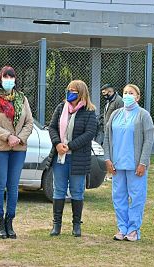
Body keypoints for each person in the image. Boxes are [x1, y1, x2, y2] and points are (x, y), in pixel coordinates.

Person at [0, 66, 33, 239]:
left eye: (11, 77)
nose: (8, 80)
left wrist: (19, 138)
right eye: (5, 76)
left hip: (18, 148)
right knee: (0, 186)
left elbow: (29, 123)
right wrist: (8, 137)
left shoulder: (22, 99)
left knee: (13, 186)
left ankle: (9, 220)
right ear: (0, 78)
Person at [103, 84, 154, 242]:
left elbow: (148, 140)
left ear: (138, 97)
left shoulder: (143, 115)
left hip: (135, 165)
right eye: (125, 92)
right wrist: (107, 159)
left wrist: (143, 162)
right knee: (118, 196)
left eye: (131, 93)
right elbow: (107, 137)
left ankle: (133, 229)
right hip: (117, 164)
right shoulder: (116, 114)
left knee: (137, 197)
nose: (127, 95)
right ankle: (122, 227)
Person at [47, 80, 97, 237]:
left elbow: (89, 133)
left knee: (77, 191)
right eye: (68, 89)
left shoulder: (89, 111)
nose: (70, 92)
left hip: (78, 158)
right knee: (59, 190)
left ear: (81, 92)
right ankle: (57, 225)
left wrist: (70, 146)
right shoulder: (61, 108)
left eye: (73, 90)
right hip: (60, 157)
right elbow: (52, 127)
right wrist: (57, 144)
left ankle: (76, 225)